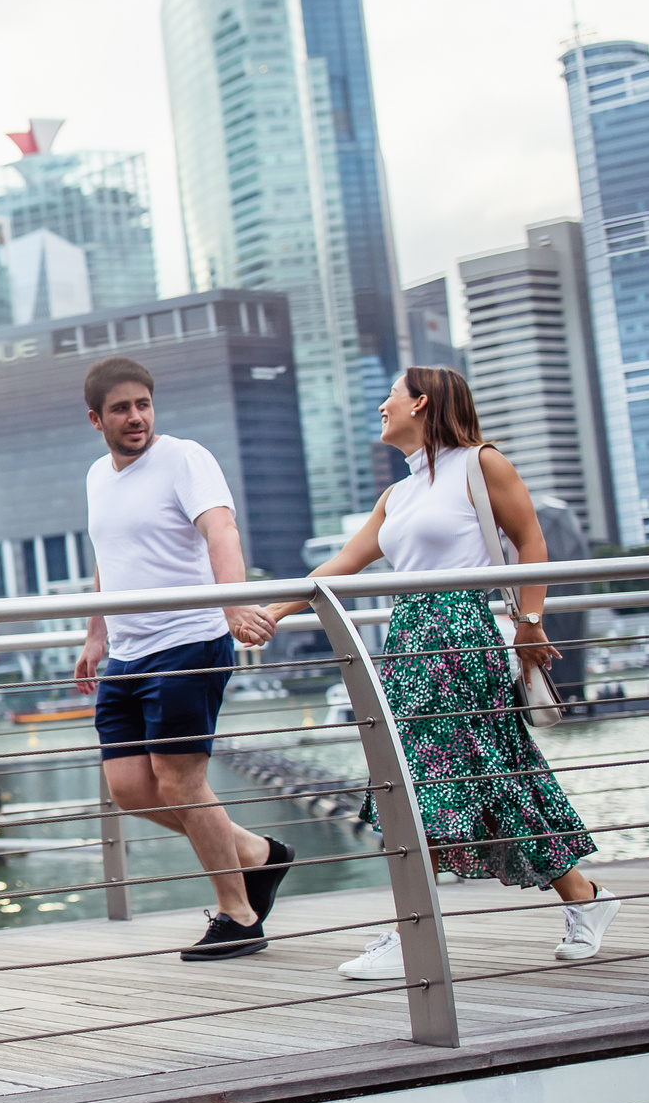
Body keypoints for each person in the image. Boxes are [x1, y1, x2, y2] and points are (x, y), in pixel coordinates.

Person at [248, 365, 610, 975]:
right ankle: (581, 899)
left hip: (463, 637)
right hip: (411, 640)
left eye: (390, 397)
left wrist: (529, 621)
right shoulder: (399, 493)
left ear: (420, 402)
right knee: (471, 782)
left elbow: (531, 541)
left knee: (431, 783)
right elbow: (345, 562)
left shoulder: (480, 463)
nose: (381, 408)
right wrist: (276, 611)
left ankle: (411, 932)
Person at [72, 356, 291, 961]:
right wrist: (95, 636)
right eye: (121, 408)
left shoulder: (185, 457)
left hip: (189, 642)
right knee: (130, 789)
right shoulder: (97, 476)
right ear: (96, 419)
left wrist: (231, 606)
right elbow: (108, 560)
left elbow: (221, 532)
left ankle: (239, 913)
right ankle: (254, 854)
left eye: (143, 404)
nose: (135, 417)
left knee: (179, 781)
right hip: (128, 652)